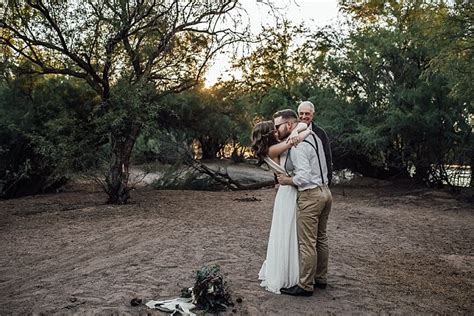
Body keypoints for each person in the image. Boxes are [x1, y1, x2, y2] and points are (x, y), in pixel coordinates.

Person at [274, 109, 333, 297]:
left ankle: (306, 285)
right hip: (325, 192)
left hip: (311, 195)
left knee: (307, 242)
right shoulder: (314, 136)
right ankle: (321, 279)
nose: (276, 130)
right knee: (321, 238)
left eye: (278, 126)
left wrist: (287, 181)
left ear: (289, 125)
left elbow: (304, 176)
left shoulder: (298, 144)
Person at [251, 120, 310, 294]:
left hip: (284, 192)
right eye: (274, 129)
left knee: (285, 233)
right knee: (288, 233)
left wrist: (296, 129)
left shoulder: (269, 150)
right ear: (269, 133)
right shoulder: (273, 150)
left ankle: (290, 271)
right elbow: (304, 133)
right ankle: (288, 275)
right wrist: (298, 130)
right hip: (288, 193)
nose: (277, 131)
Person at [297, 101, 333, 185]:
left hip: (319, 183)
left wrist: (329, 178)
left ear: (312, 115)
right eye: (301, 113)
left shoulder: (320, 133)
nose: (304, 116)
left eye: (307, 114)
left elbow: (327, 156)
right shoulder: (292, 132)